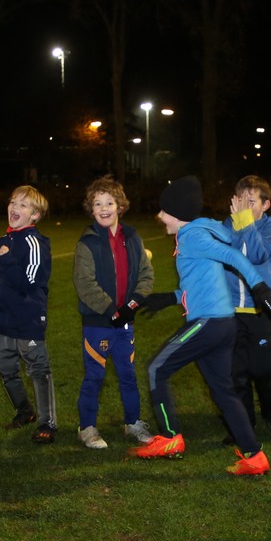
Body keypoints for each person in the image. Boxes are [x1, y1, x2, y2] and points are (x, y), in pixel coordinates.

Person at [132, 176, 271, 475]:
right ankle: (253, 456)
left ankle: (170, 438)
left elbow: (232, 256)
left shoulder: (192, 237)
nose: (160, 216)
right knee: (224, 391)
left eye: (164, 211)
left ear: (177, 213)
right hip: (223, 323)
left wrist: (259, 286)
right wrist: (171, 298)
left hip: (208, 323)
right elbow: (202, 281)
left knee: (156, 369)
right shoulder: (200, 233)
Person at [72, 176, 154, 450]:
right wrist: (111, 310)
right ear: (91, 209)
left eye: (109, 202)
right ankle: (87, 427)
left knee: (128, 373)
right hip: (98, 323)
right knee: (95, 375)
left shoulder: (132, 237)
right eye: (98, 203)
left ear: (120, 206)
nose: (104, 208)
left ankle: (133, 422)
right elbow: (84, 283)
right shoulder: (87, 242)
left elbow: (146, 274)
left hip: (125, 321)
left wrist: (131, 305)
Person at [0, 185, 56, 443]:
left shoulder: (34, 242)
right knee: (3, 365)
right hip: (6, 320)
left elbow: (29, 282)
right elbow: (2, 283)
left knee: (38, 368)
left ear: (35, 215)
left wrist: (7, 260)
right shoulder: (4, 241)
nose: (14, 208)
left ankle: (47, 423)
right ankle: (24, 411)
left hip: (28, 319)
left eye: (23, 205)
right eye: (13, 202)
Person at [223, 175, 271, 442]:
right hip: (231, 312)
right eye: (241, 201)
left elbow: (257, 255)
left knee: (263, 370)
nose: (245, 207)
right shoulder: (228, 225)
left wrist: (245, 223)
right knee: (236, 373)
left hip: (260, 311)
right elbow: (229, 255)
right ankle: (244, 424)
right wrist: (237, 225)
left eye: (251, 202)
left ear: (265, 204)